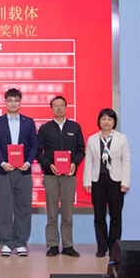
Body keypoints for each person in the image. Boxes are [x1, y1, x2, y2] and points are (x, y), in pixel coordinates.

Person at [0, 88, 38, 257]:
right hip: (5, 170)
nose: (13, 103)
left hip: (23, 171)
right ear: (5, 102)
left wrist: (28, 162)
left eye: (16, 100)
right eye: (10, 100)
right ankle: (6, 242)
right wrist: (3, 162)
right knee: (4, 206)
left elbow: (34, 145)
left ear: (20, 102)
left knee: (23, 206)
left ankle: (20, 242)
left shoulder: (28, 122)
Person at [37, 96, 85, 257]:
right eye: (56, 106)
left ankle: (68, 245)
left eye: (62, 105)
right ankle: (52, 245)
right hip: (50, 175)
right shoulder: (45, 129)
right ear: (51, 108)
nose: (59, 108)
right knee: (52, 213)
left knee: (67, 213)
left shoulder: (74, 127)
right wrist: (48, 164)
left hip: (69, 176)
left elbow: (81, 150)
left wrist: (74, 163)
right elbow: (38, 152)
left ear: (66, 107)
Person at [83, 108, 130, 258]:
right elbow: (88, 161)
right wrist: (87, 181)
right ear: (99, 121)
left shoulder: (122, 138)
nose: (106, 122)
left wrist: (126, 181)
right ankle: (101, 247)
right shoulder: (92, 139)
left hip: (116, 181)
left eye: (110, 119)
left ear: (114, 122)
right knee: (99, 216)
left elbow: (126, 161)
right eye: (103, 119)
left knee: (116, 216)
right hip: (98, 180)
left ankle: (114, 247)